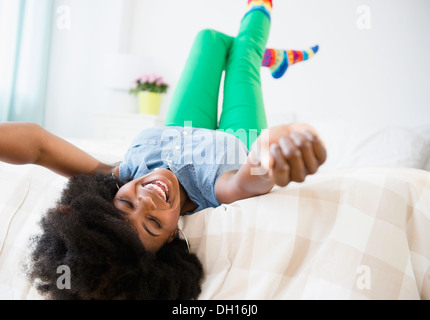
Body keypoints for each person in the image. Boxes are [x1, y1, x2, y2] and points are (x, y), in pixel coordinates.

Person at [0, 0, 326, 300]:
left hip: (182, 124)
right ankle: (260, 52)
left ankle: (273, 58)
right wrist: (273, 150)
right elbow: (249, 178)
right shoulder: (211, 192)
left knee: (208, 39)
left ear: (108, 197)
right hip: (239, 135)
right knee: (243, 56)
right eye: (153, 224)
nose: (147, 200)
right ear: (171, 237)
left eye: (126, 203)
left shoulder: (118, 174)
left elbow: (39, 147)